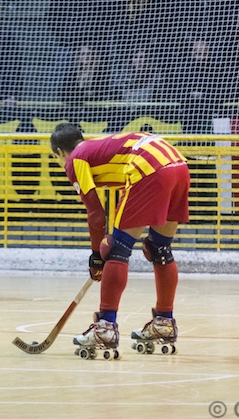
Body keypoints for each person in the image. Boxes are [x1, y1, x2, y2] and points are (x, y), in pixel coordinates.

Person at [50, 123, 190, 354]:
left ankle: (105, 327)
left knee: (116, 250)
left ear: (59, 152)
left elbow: (96, 214)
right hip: (177, 164)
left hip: (148, 168)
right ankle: (164, 323)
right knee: (159, 249)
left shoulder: (75, 159)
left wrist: (97, 255)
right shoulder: (97, 147)